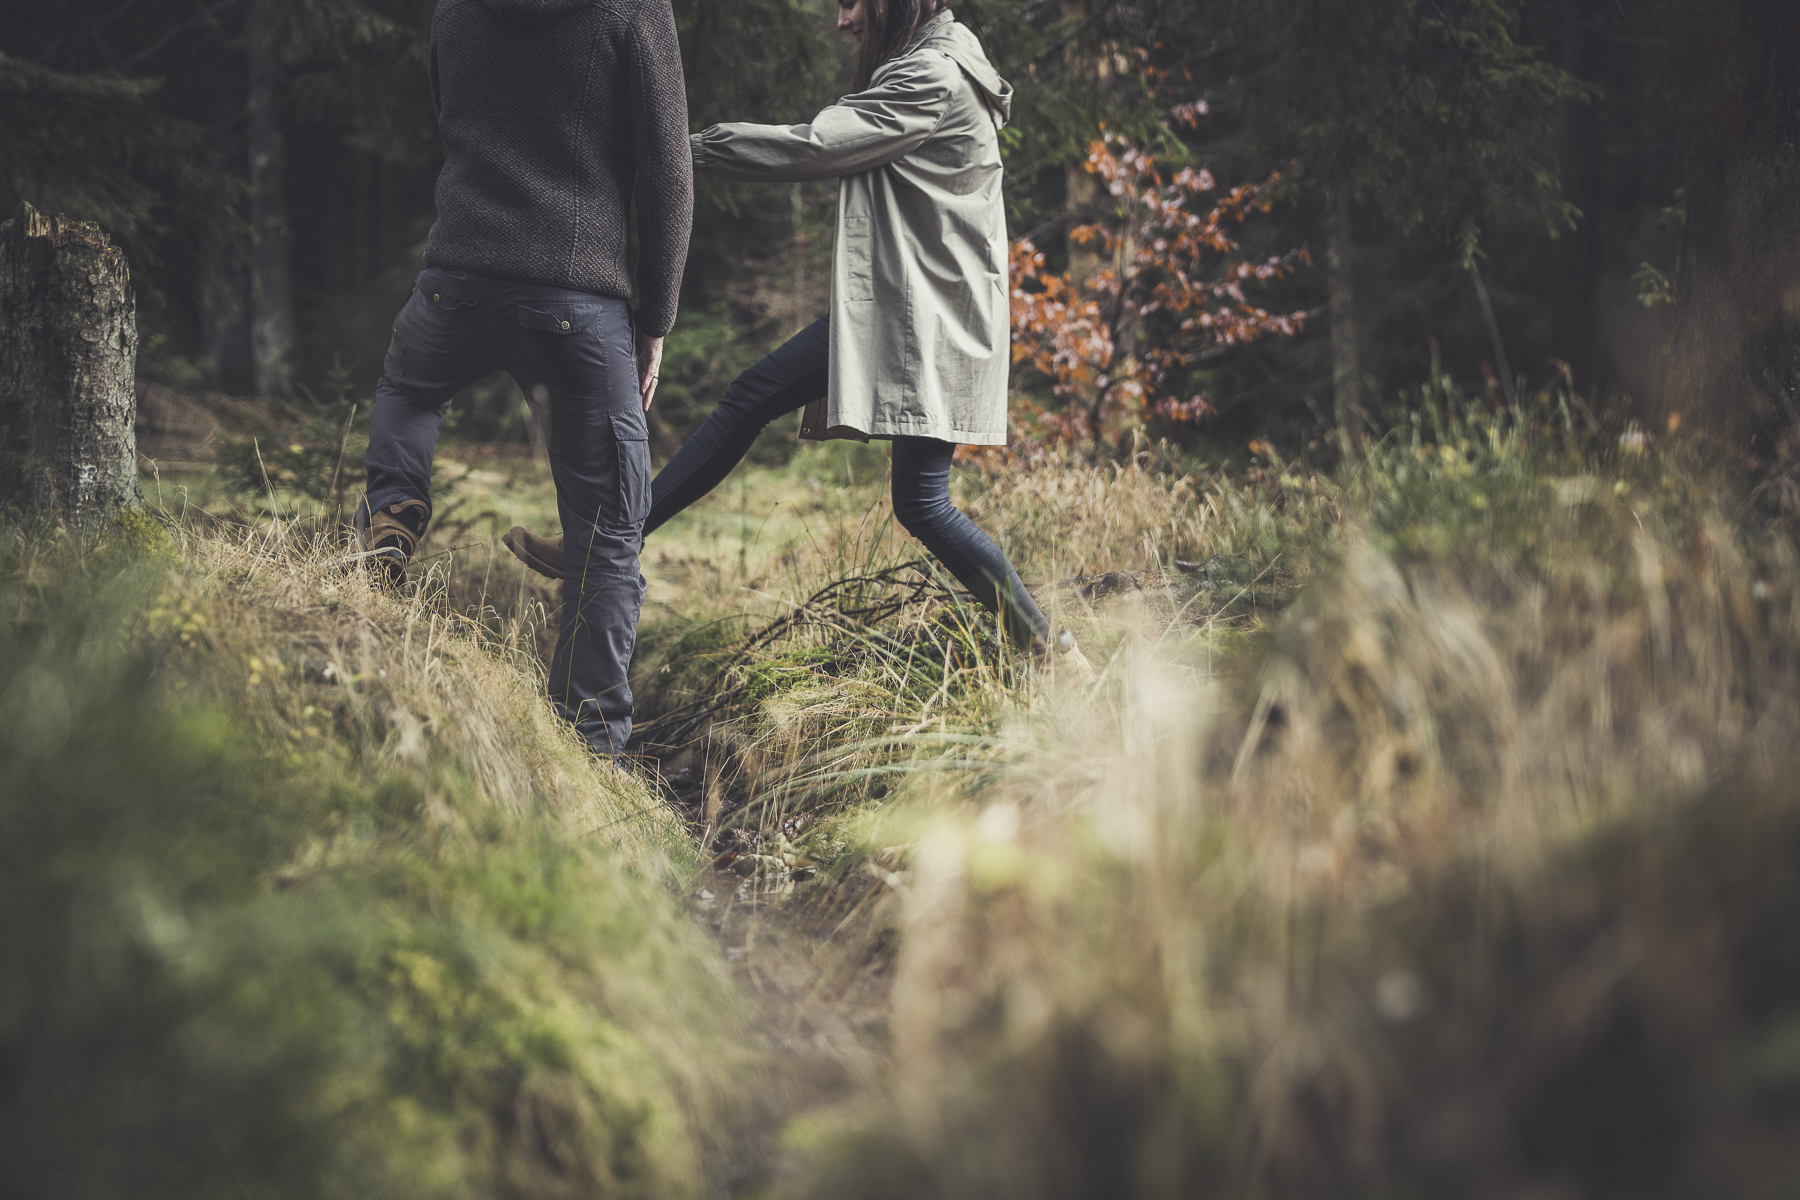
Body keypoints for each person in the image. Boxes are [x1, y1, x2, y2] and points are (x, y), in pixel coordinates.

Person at [505, 0, 1053, 653]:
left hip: (920, 321)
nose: (844, 22)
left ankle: (601, 546)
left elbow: (815, 145)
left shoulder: (931, 76)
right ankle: (1050, 651)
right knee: (895, 486)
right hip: (919, 313)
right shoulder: (946, 59)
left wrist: (682, 150)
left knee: (826, 443)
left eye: (852, 4)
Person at [356, 0, 691, 756]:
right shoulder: (633, 8)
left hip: (455, 278)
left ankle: (392, 511)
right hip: (579, 299)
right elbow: (668, 172)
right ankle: (590, 745)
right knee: (608, 532)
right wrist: (656, 320)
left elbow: (452, 113)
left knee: (409, 391)